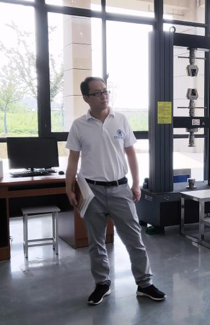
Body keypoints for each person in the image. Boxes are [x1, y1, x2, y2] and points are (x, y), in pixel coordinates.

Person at [66, 77, 166, 306]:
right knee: (96, 242)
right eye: (97, 93)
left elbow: (131, 154)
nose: (103, 96)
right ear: (86, 98)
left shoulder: (120, 119)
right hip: (91, 191)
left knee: (135, 240)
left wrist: (136, 184)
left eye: (105, 91)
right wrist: (68, 187)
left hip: (120, 189)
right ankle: (102, 283)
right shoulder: (79, 125)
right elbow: (73, 160)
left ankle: (145, 284)